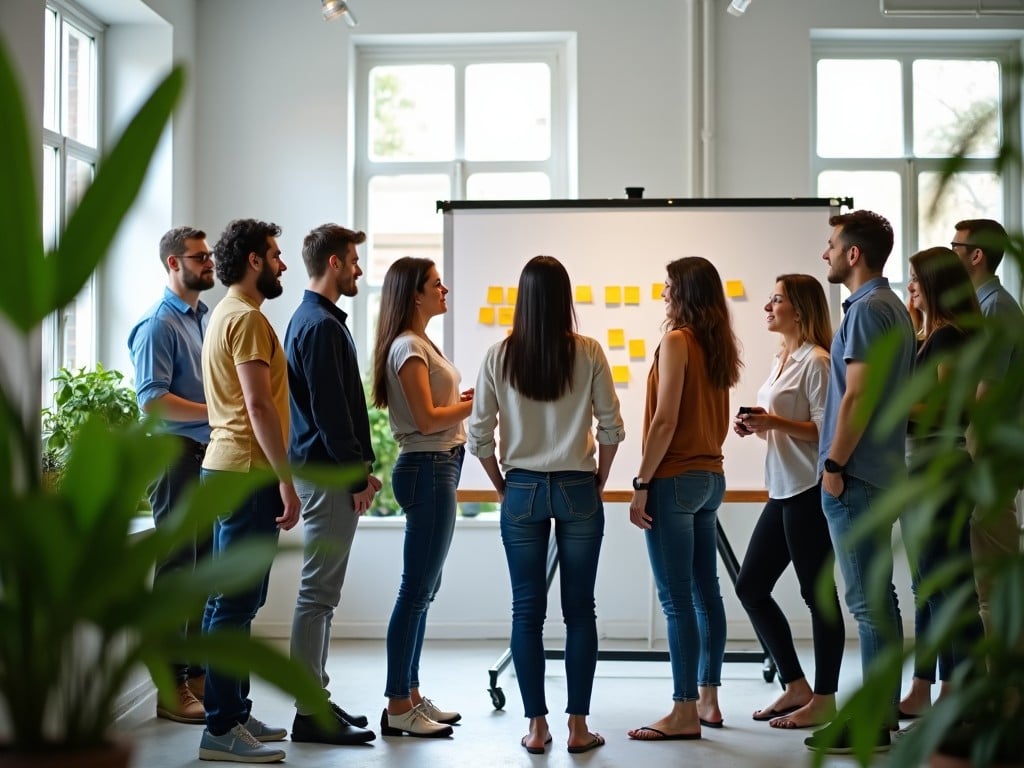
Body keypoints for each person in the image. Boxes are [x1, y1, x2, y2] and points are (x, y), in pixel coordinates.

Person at [467, 256, 625, 755]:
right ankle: (578, 727)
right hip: (579, 486)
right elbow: (612, 428)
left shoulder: (499, 355)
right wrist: (598, 480)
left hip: (522, 487)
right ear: (565, 298)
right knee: (581, 611)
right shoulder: (590, 351)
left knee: (525, 611)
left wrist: (500, 484)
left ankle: (537, 727)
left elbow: (478, 436)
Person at [805, 209, 916, 755]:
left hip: (858, 474)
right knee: (880, 602)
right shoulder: (888, 306)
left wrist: (833, 466)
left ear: (854, 253)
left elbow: (859, 395)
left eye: (831, 245)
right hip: (878, 471)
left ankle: (872, 721)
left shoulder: (869, 309)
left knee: (871, 605)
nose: (824, 253)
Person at [627, 256, 741, 742]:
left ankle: (683, 710)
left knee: (676, 600)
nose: (663, 294)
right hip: (710, 478)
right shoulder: (718, 347)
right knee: (705, 593)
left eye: (669, 286)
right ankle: (708, 699)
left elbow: (665, 421)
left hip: (673, 479)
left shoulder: (676, 342)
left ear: (687, 293)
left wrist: (641, 483)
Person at [197, 219, 299, 764]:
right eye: (276, 256)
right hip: (245, 472)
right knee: (234, 604)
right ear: (255, 260)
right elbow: (258, 407)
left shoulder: (225, 314)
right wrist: (286, 480)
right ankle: (220, 728)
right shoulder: (249, 320)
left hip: (227, 469)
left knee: (239, 600)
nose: (282, 265)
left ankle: (233, 713)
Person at [733, 274, 845, 730]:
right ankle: (795, 685)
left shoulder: (817, 361)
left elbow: (828, 432)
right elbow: (782, 423)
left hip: (808, 492)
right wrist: (758, 425)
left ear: (798, 309)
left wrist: (774, 422)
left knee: (817, 595)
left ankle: (825, 698)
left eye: (776, 299)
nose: (767, 306)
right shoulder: (784, 358)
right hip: (781, 490)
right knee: (750, 588)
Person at [283, 224, 378, 745]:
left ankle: (314, 699)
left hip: (322, 471)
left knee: (321, 595)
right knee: (318, 595)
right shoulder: (318, 325)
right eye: (354, 260)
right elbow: (331, 414)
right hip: (325, 474)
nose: (359, 269)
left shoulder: (315, 320)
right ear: (334, 263)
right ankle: (308, 710)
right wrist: (358, 474)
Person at [371, 256, 473, 739]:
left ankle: (410, 694)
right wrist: (476, 403)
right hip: (429, 468)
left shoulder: (419, 343)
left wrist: (463, 403)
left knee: (423, 590)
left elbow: (435, 410)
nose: (444, 288)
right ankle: (397, 704)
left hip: (438, 467)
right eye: (436, 283)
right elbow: (429, 419)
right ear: (415, 294)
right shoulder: (409, 346)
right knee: (415, 592)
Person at [128, 226, 215, 724]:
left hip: (201, 454)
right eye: (198, 257)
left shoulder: (201, 318)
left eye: (207, 256)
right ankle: (169, 685)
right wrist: (217, 409)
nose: (208, 263)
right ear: (172, 264)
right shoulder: (158, 324)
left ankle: (197, 673)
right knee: (178, 571)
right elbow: (153, 402)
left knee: (202, 569)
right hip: (173, 454)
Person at [898, 247, 985, 719]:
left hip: (938, 469)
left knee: (948, 588)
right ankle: (925, 687)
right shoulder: (930, 334)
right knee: (928, 586)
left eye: (914, 279)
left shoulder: (951, 337)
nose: (908, 285)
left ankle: (960, 693)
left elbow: (949, 408)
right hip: (923, 469)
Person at [950, 218, 1023, 639]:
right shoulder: (987, 304)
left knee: (993, 585)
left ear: (976, 255)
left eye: (955, 246)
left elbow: (984, 393)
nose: (950, 254)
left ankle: (1006, 699)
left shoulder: (992, 307)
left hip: (988, 460)